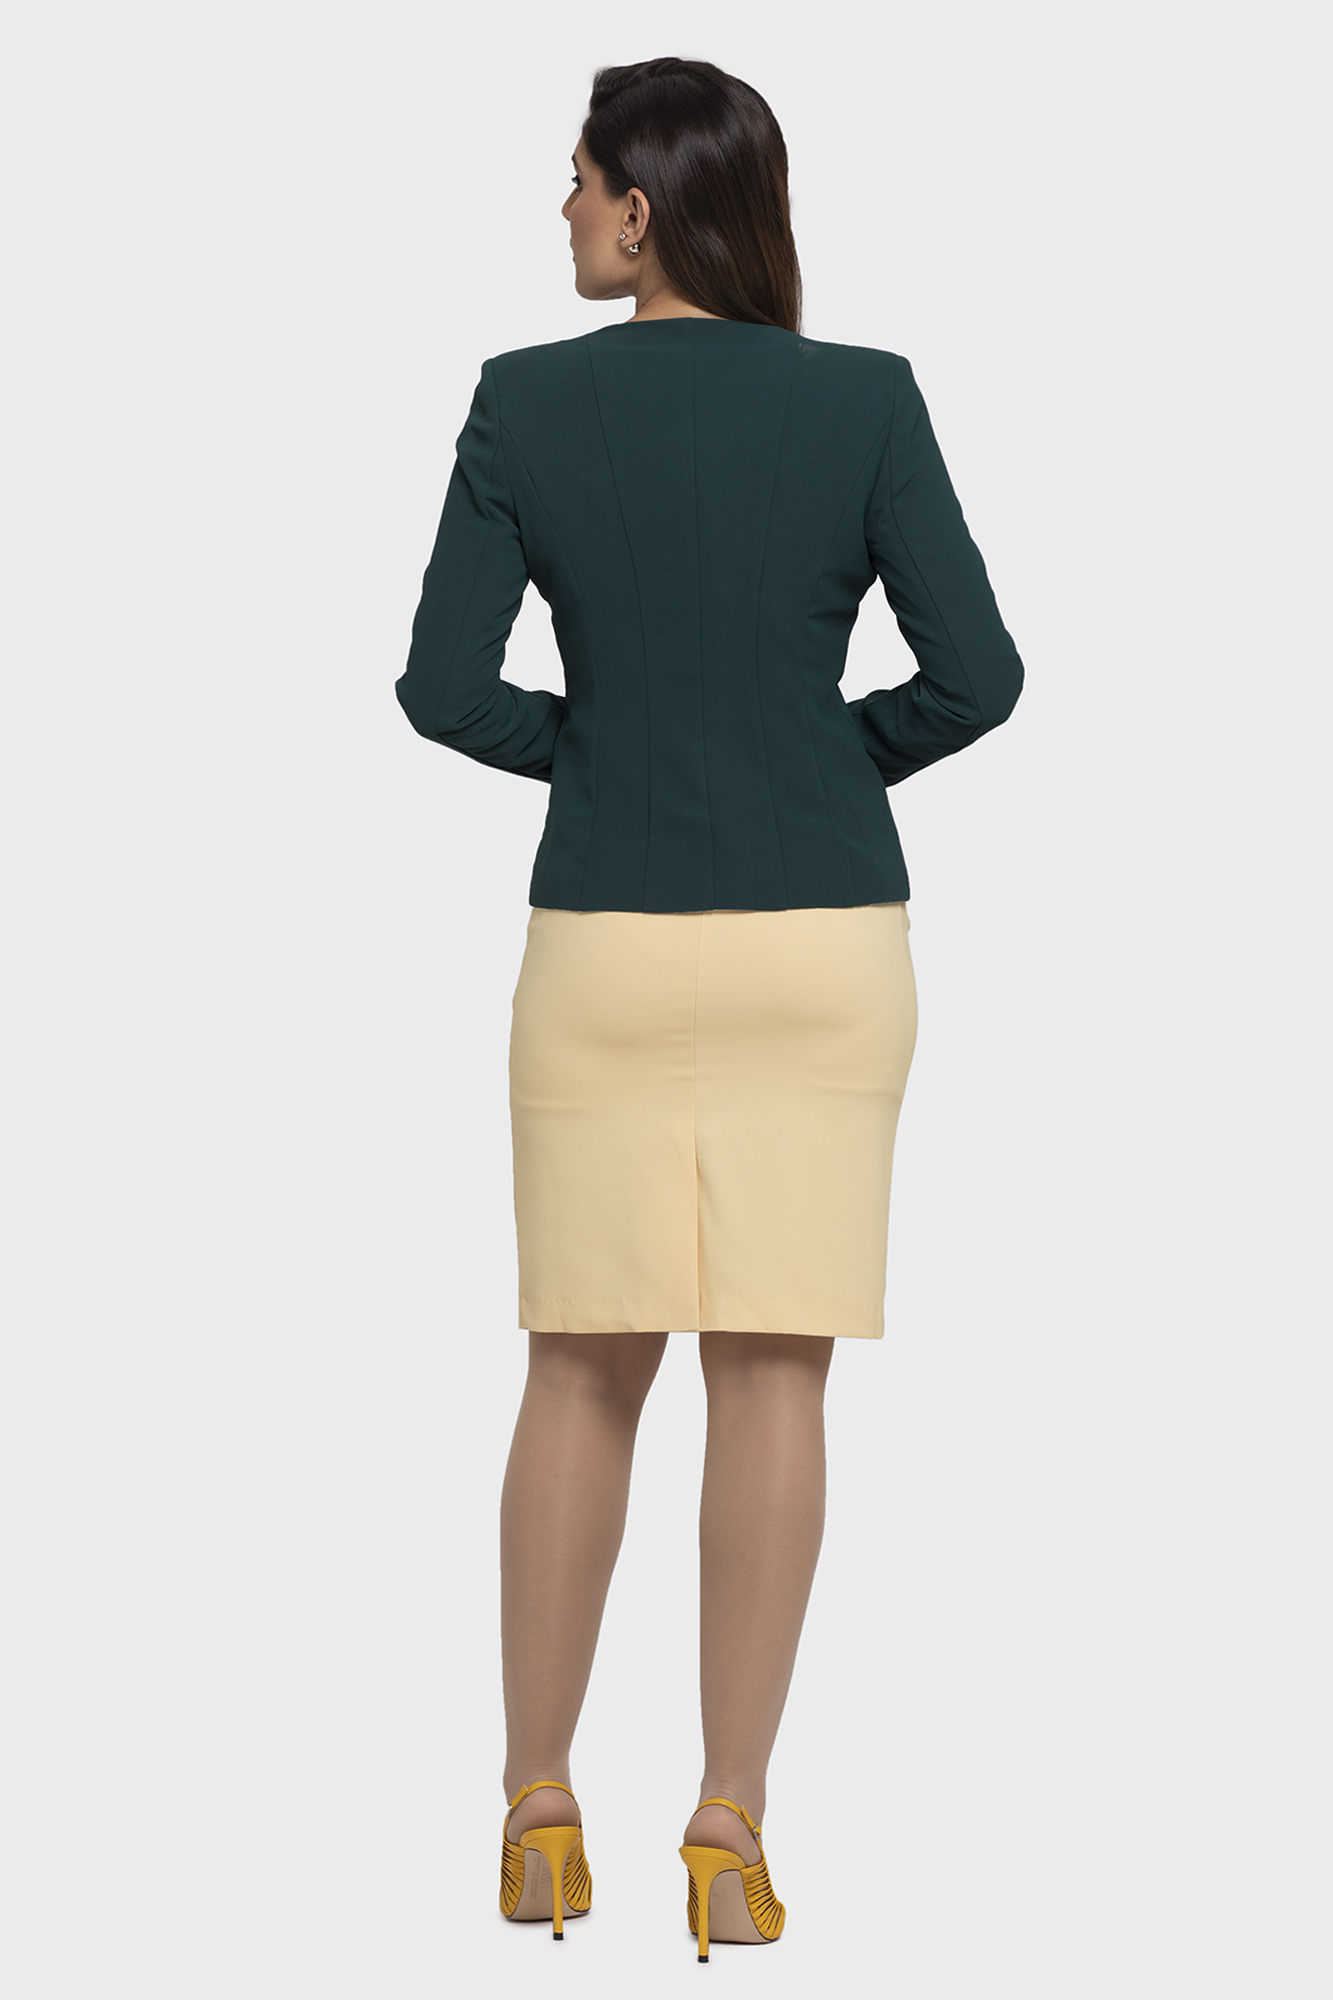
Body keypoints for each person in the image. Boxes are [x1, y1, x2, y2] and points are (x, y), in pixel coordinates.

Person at [396, 56, 1024, 1962]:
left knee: (578, 1368)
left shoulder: (524, 400)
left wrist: (602, 755)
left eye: (577, 181)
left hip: (603, 931)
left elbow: (440, 687)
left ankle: (535, 1811)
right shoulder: (864, 400)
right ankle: (729, 1826)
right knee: (772, 1372)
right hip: (820, 940)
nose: (562, 211)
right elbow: (978, 676)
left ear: (643, 207)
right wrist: (816, 761)